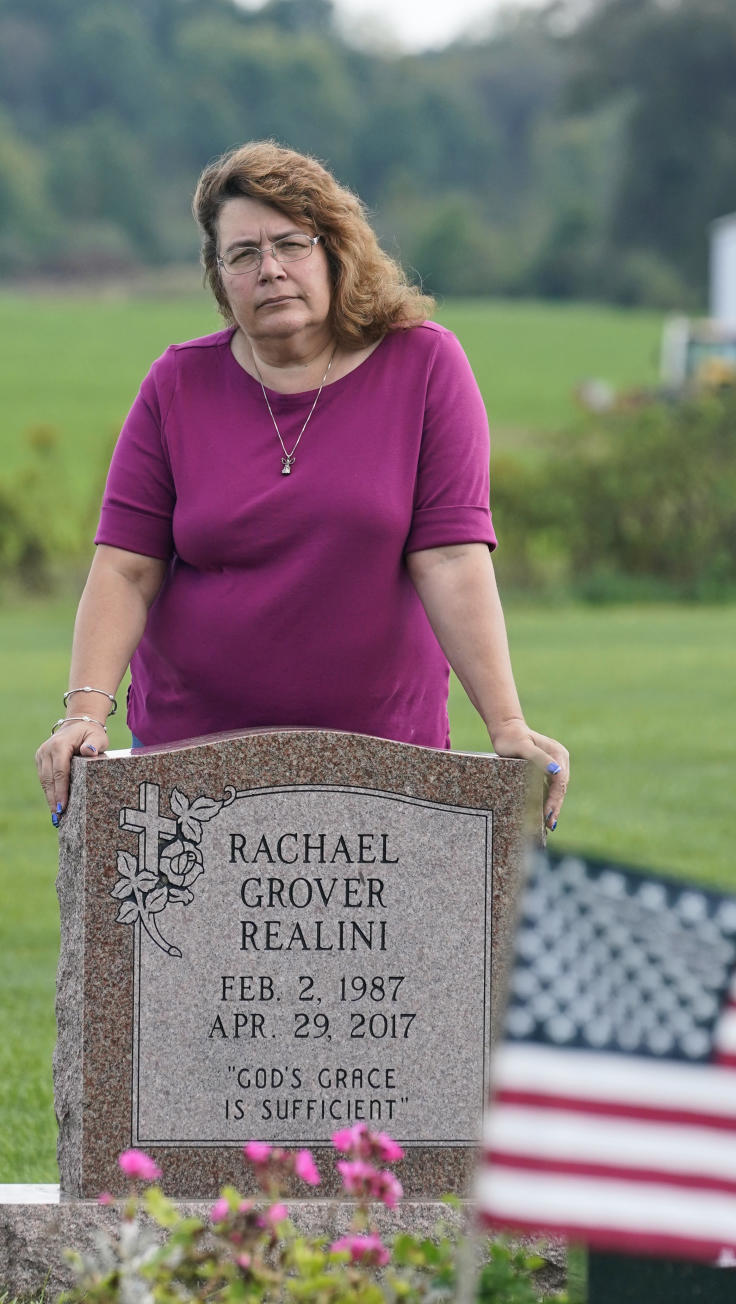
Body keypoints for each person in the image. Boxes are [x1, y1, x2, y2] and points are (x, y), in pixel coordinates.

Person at [35, 140, 569, 831]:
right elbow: (126, 568)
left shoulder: (426, 365)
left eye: (291, 243)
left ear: (336, 251)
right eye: (243, 254)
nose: (271, 270)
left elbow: (450, 558)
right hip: (192, 769)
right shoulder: (176, 383)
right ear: (218, 275)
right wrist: (84, 716)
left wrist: (507, 725)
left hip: (383, 766)